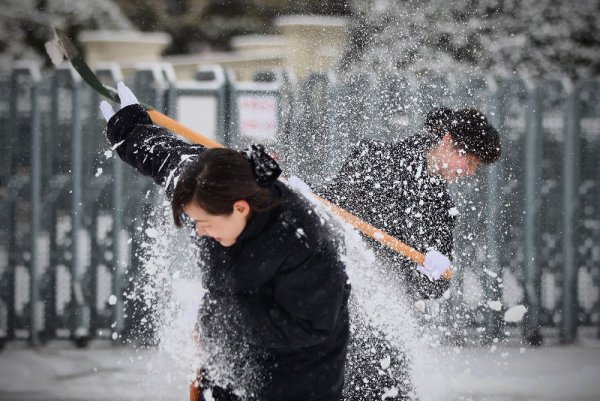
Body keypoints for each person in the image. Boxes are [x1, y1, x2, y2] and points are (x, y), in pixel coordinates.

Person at [100, 83, 351, 401]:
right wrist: (132, 135)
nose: (200, 231)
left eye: (204, 222)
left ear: (240, 209)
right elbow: (172, 162)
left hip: (299, 378)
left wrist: (221, 320)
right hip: (228, 362)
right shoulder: (206, 189)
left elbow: (309, 326)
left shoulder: (304, 241)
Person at [318, 107, 501, 400]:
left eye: (475, 167)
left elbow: (433, 286)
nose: (469, 172)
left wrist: (432, 272)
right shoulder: (376, 159)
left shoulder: (440, 210)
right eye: (469, 161)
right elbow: (327, 211)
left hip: (379, 323)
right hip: (332, 304)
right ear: (447, 141)